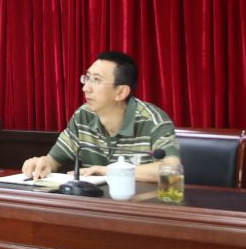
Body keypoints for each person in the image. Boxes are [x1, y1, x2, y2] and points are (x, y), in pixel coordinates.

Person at [22, 51, 180, 183]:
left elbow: (172, 169)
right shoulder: (83, 116)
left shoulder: (153, 121)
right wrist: (44, 163)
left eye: (96, 80)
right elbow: (55, 159)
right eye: (87, 78)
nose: (85, 88)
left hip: (139, 206)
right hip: (93, 206)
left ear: (121, 92)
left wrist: (108, 171)